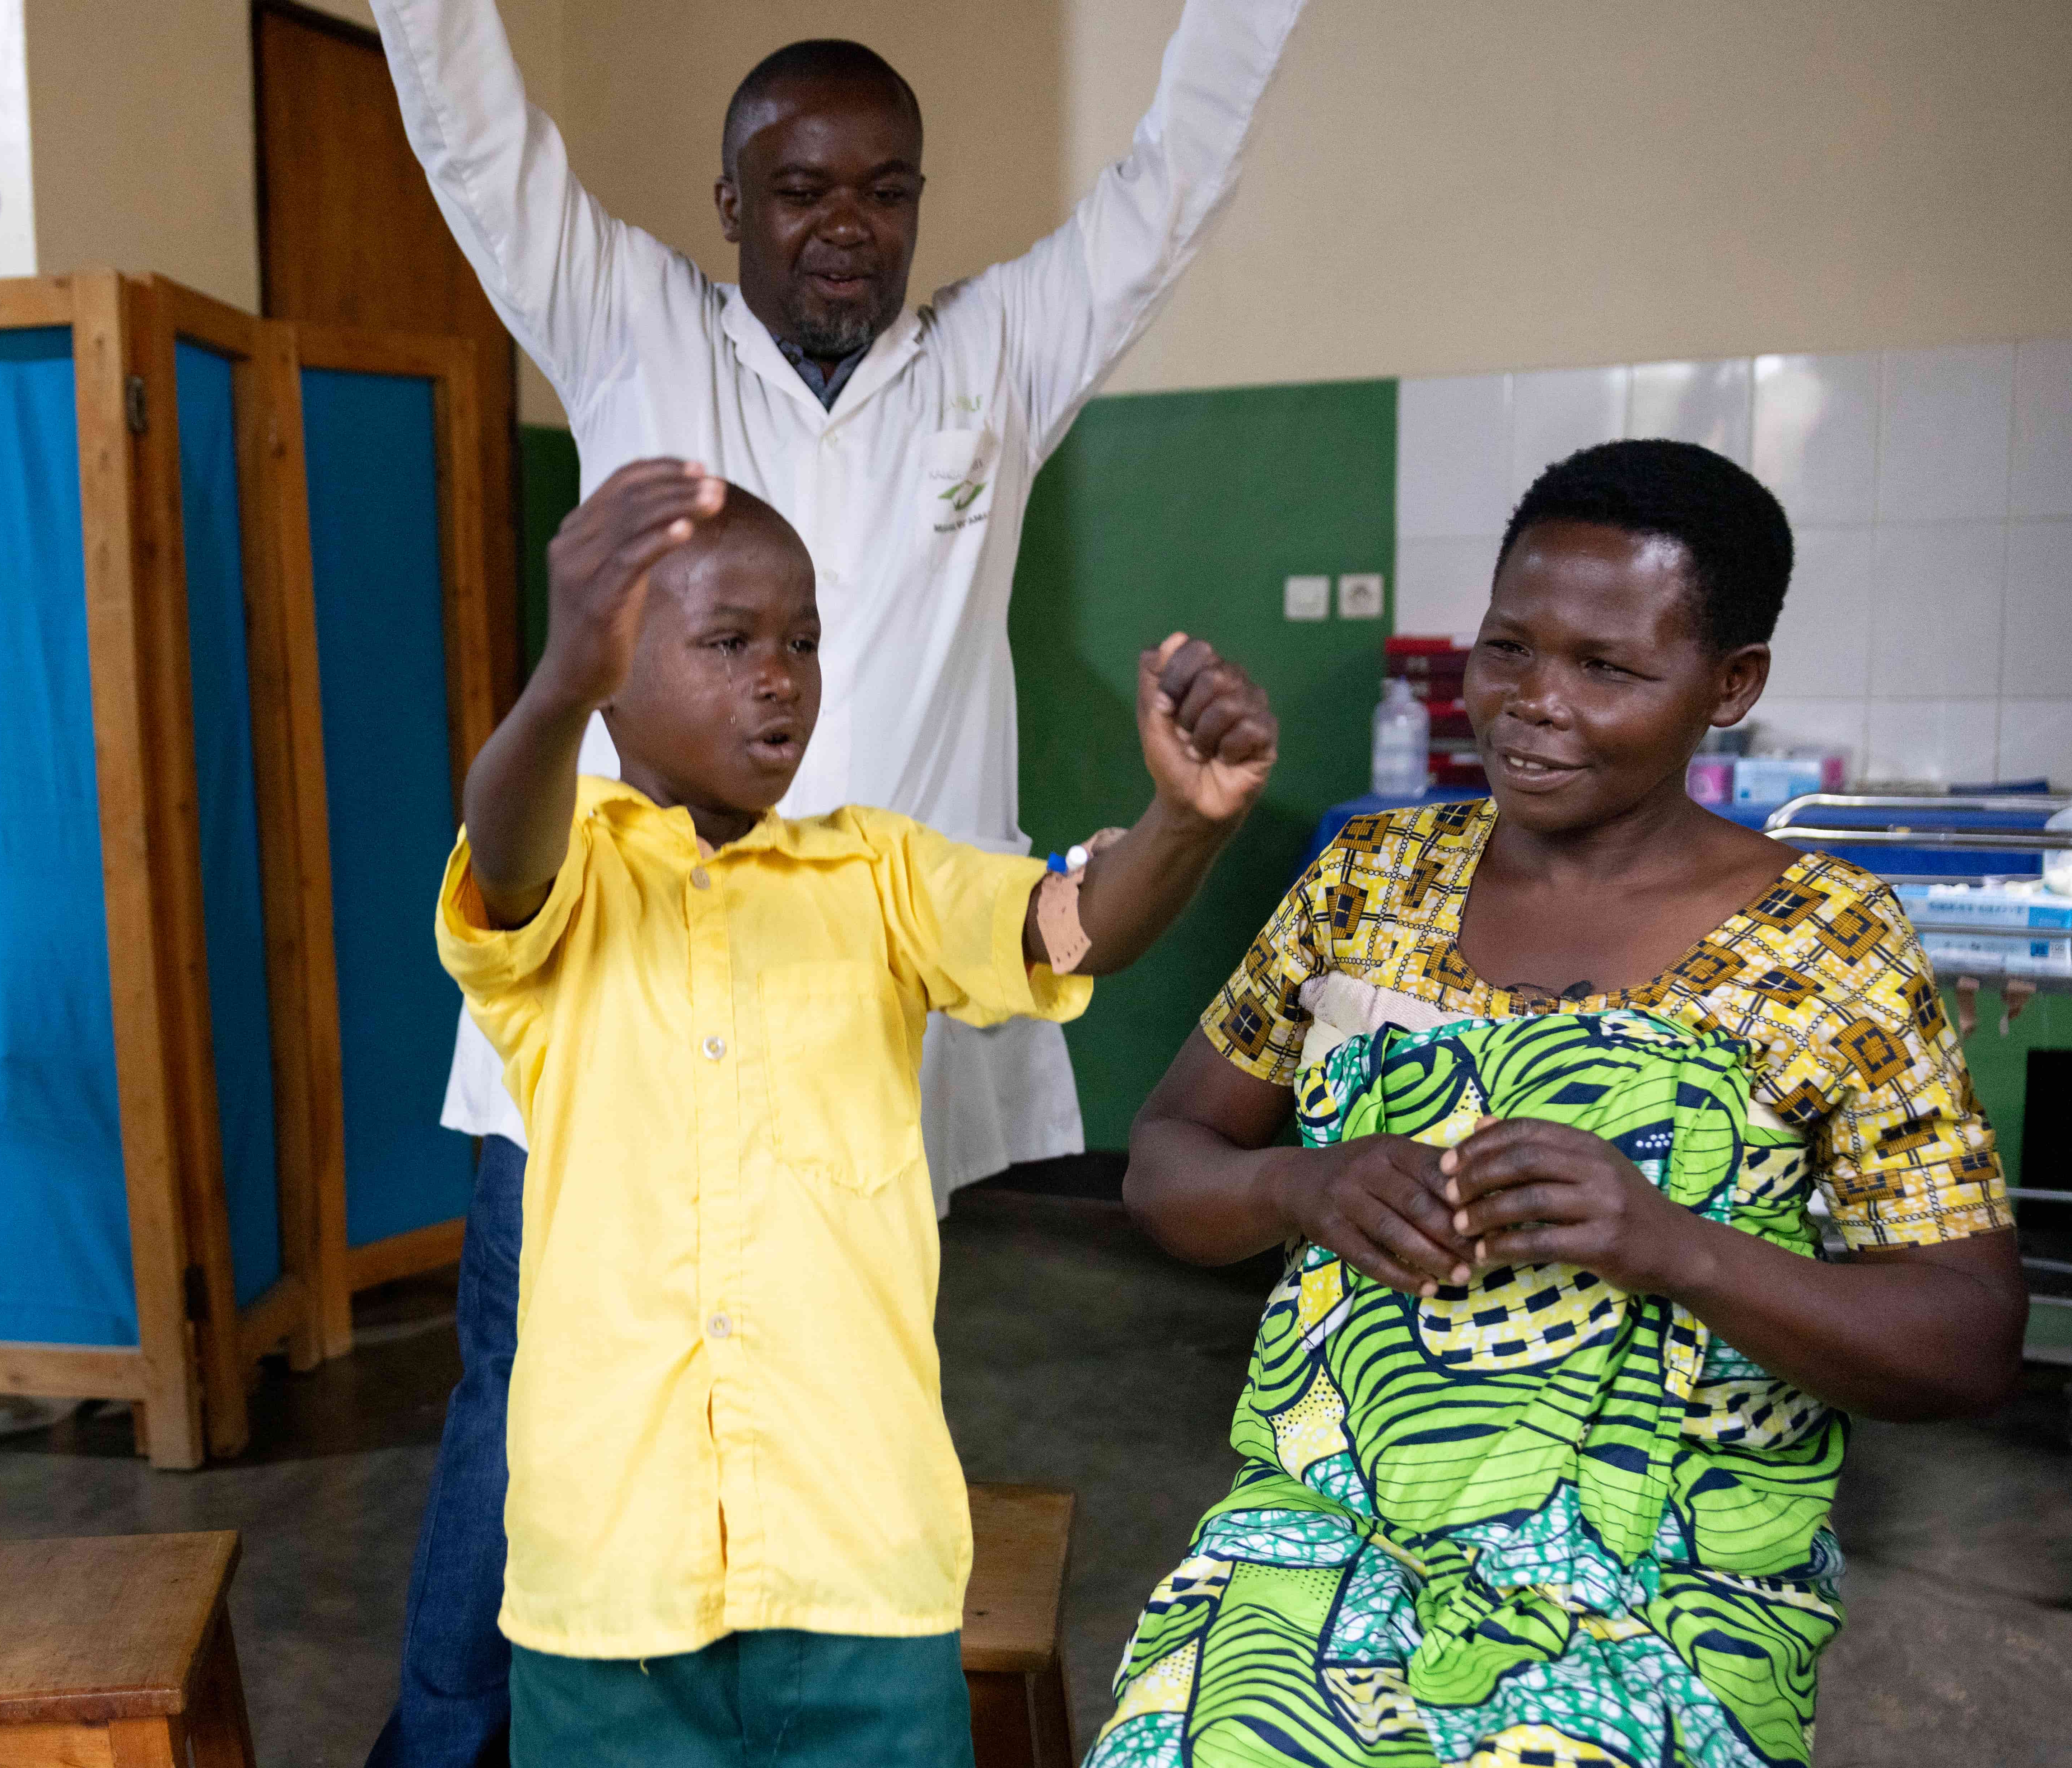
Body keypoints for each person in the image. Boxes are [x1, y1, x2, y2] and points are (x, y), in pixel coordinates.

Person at [362, 1, 1306, 1760]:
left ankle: (806, 1691)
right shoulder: (623, 315)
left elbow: (1172, 188)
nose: (843, 222)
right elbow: (476, 133)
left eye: (881, 188)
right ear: (729, 203)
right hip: (603, 992)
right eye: (798, 188)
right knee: (531, 1418)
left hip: (865, 1007)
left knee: (816, 1372)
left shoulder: (996, 358)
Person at [1089, 440, 2027, 1768]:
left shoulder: (1826, 943)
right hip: (1322, 1542)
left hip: (1661, 1590)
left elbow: (1968, 1339)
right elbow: (1165, 1163)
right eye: (1506, 649)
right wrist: (1296, 1186)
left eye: (1609, 669)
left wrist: (1675, 1247)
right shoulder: (1369, 879)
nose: (1534, 704)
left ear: (1729, 686)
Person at [438, 458, 1274, 1766]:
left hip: (858, 1567)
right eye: (729, 643)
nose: (779, 675)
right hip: (610, 1582)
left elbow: (1067, 925)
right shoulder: (569, 882)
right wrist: (557, 683)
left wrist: (1183, 822)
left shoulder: (877, 872)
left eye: (803, 642)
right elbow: (507, 837)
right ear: (614, 677)